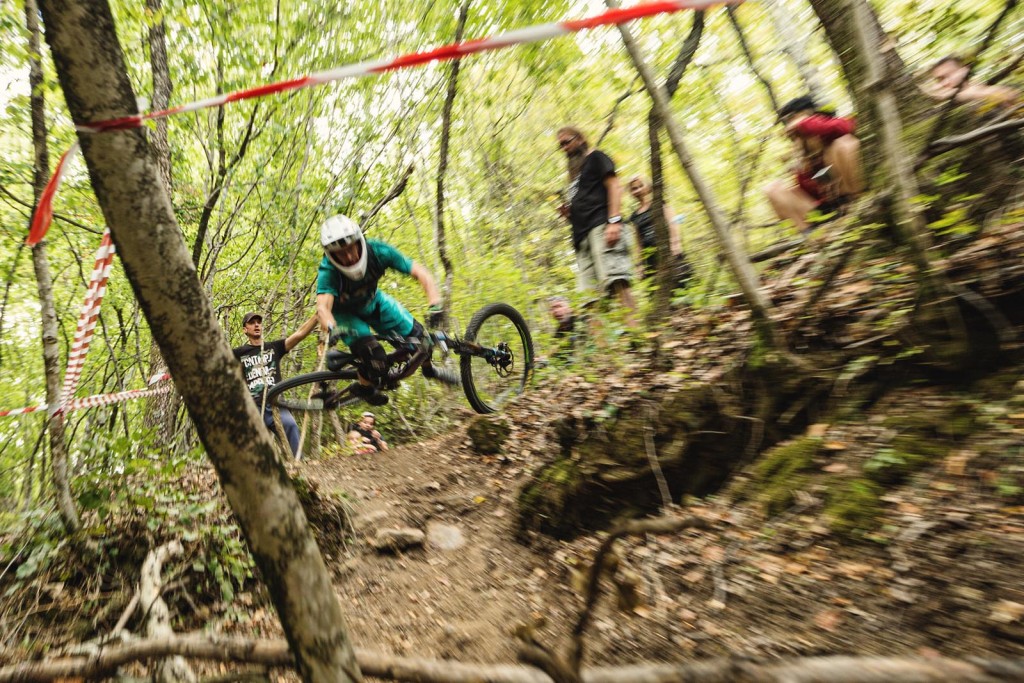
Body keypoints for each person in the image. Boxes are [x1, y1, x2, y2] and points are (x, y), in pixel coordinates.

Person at [315, 214, 453, 407]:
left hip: (375, 303)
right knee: (374, 357)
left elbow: (420, 272)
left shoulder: (379, 252)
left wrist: (435, 304)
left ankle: (429, 370)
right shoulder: (329, 270)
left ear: (359, 241)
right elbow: (323, 307)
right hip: (346, 316)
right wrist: (331, 327)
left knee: (422, 339)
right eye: (341, 253)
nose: (349, 257)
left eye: (350, 248)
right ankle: (365, 388)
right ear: (331, 255)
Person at [556, 126, 637, 318]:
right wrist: (568, 213)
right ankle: (602, 339)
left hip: (601, 227)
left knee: (617, 281)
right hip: (581, 239)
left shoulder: (597, 157)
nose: (564, 148)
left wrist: (614, 221)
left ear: (580, 139)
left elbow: (615, 186)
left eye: (567, 142)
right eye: (561, 145)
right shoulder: (574, 178)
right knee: (590, 299)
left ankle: (636, 333)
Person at [764, 96, 863, 234]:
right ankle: (810, 236)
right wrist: (806, 170)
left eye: (791, 119)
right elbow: (809, 191)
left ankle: (857, 205)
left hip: (848, 195)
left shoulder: (833, 127)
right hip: (823, 209)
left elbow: (846, 127)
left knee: (843, 144)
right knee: (773, 189)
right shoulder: (801, 152)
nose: (789, 126)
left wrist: (805, 124)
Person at [233, 311, 318, 457]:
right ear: (245, 329)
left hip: (276, 403)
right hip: (254, 406)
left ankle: (300, 464)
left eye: (258, 322)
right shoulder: (239, 353)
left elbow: (299, 335)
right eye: (252, 323)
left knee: (290, 425)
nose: (256, 325)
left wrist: (317, 316)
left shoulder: (274, 347)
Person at [627, 175, 691, 285]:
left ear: (647, 186)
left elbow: (673, 223)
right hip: (650, 256)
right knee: (657, 287)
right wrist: (639, 264)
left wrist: (675, 244)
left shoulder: (659, 203)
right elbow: (638, 242)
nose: (638, 190)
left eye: (640, 186)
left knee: (679, 282)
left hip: (667, 249)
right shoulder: (634, 216)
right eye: (634, 188)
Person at [926, 56, 1018, 107]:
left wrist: (962, 95)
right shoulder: (943, 103)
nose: (945, 82)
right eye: (940, 79)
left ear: (964, 70)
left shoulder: (979, 89)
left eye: (949, 75)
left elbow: (1010, 95)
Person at [548, 295, 579, 360]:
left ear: (570, 308)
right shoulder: (559, 330)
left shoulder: (580, 321)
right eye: (552, 308)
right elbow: (553, 354)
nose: (555, 311)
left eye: (559, 306)